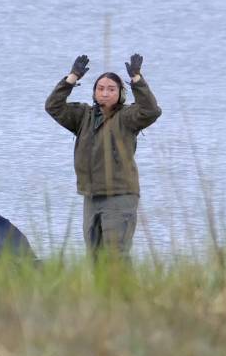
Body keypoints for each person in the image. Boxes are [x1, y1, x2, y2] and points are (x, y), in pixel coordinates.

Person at [45, 53, 161, 257]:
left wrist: (137, 79)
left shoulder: (127, 117)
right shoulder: (83, 116)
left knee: (116, 257)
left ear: (120, 93)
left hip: (120, 197)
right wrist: (72, 78)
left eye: (111, 89)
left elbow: (151, 111)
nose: (105, 93)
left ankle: (125, 290)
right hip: (91, 197)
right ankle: (100, 291)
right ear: (94, 92)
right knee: (95, 257)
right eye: (100, 88)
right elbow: (53, 106)